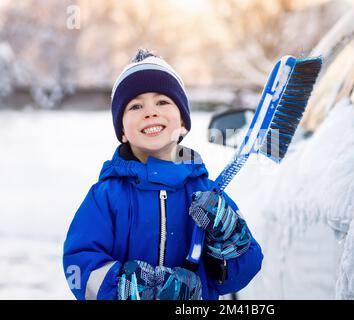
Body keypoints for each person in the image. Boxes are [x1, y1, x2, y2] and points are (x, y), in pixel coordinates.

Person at [62, 49, 263, 300]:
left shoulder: (208, 196)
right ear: (122, 131)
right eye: (135, 105)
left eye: (162, 101)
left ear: (183, 123)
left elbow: (243, 272)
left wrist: (230, 238)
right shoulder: (106, 196)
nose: (150, 112)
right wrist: (131, 289)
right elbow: (78, 266)